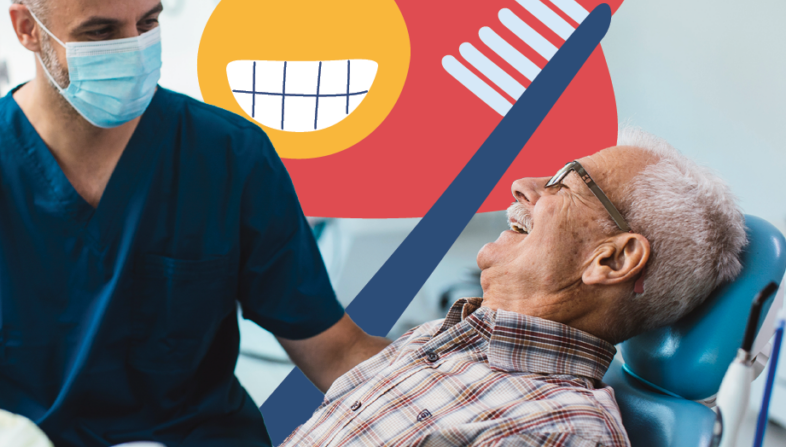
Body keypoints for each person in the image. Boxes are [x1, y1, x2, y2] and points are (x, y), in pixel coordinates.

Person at [0, 0, 388, 446]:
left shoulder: (228, 157)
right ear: (26, 29)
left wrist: (465, 365)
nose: (133, 47)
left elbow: (337, 353)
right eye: (100, 32)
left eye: (148, 23)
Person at [280, 128, 748, 447]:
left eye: (565, 184)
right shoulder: (440, 340)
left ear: (612, 259)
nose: (522, 185)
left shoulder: (559, 429)